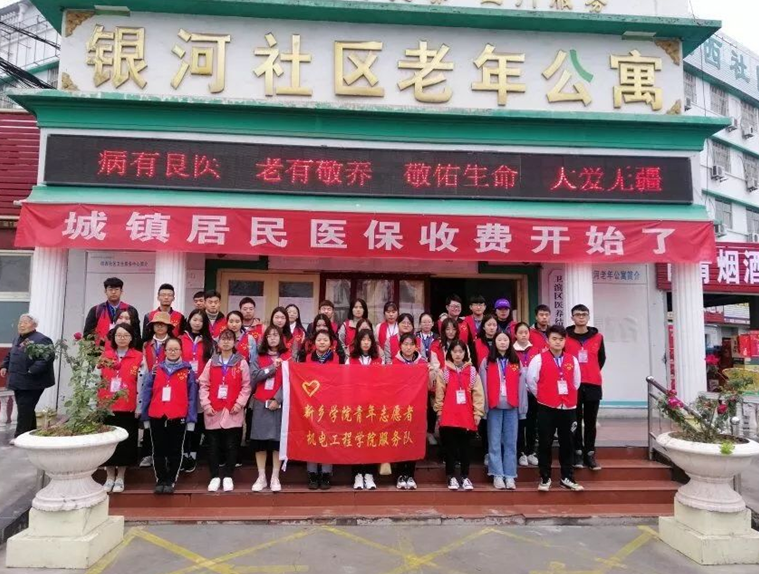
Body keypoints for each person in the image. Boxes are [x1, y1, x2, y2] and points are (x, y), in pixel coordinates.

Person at [526, 325, 583, 492]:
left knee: (568, 443)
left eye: (561, 339)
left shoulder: (572, 360)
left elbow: (576, 382)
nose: (558, 342)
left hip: (568, 407)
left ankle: (567, 477)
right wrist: (544, 396)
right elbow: (531, 381)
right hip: (547, 407)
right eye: (554, 339)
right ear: (548, 340)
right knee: (545, 443)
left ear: (565, 341)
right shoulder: (538, 359)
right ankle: (545, 477)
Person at [140, 337, 198, 494]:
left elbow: (192, 397)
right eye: (169, 349)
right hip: (157, 414)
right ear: (164, 351)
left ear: (181, 351)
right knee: (158, 449)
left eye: (176, 349)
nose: (172, 352)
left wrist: (191, 419)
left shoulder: (188, 371)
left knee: (175, 449)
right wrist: (145, 416)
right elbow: (147, 393)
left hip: (178, 415)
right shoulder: (155, 370)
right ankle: (160, 479)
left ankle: (171, 479)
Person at [199, 329, 251, 492]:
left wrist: (239, 404)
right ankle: (214, 476)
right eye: (223, 339)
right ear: (218, 343)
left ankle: (228, 475)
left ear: (235, 342)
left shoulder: (241, 362)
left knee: (231, 445)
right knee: (213, 445)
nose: (226, 342)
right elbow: (204, 384)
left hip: (233, 409)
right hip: (213, 409)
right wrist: (206, 404)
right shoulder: (211, 362)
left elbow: (246, 386)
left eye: (229, 339)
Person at [434, 339, 484, 491]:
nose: (457, 354)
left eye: (460, 351)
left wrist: (478, 413)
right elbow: (439, 394)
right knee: (450, 448)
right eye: (454, 351)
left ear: (465, 353)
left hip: (466, 416)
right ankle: (451, 476)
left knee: (465, 448)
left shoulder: (472, 372)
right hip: (449, 416)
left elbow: (478, 394)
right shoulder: (444, 372)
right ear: (450, 353)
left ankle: (465, 476)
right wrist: (439, 412)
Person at [99, 324, 142, 492]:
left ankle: (121, 477)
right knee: (108, 442)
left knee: (125, 443)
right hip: (107, 405)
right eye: (119, 335)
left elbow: (142, 382)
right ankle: (109, 476)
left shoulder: (138, 356)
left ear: (131, 338)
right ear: (113, 337)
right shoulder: (106, 356)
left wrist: (139, 406)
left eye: (126, 335)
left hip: (128, 405)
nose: (122, 338)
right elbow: (97, 379)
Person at [480, 332, 525, 490]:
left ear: (510, 342)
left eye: (505, 340)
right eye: (499, 340)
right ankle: (497, 474)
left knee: (511, 442)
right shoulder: (487, 361)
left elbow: (522, 386)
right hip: (494, 406)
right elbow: (483, 385)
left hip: (512, 405)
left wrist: (522, 408)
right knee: (494, 442)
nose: (503, 342)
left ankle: (510, 475)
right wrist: (484, 407)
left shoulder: (516, 361)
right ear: (495, 342)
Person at [1, 314, 55, 443]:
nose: (21, 325)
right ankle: (31, 434)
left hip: (33, 382)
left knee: (24, 408)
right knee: (26, 408)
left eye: (25, 322)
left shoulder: (42, 339)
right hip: (18, 380)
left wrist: (32, 370)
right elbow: (11, 354)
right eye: (20, 322)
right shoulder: (17, 338)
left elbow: (47, 357)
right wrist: (4, 366)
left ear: (34, 325)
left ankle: (19, 437)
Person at [565, 304, 606, 471]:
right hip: (573, 385)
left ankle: (590, 453)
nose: (581, 317)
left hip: (593, 384)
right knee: (575, 421)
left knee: (590, 421)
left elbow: (601, 359)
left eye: (584, 314)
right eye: (577, 314)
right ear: (572, 317)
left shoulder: (598, 337)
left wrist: (591, 371)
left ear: (588, 317)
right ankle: (577, 452)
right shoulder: (565, 337)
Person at [392, 332, 435, 490]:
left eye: (411, 344)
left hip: (417, 408)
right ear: (400, 346)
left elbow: (430, 386)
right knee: (400, 440)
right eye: (405, 344)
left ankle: (410, 474)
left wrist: (430, 372)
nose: (408, 347)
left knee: (413, 439)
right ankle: (400, 474)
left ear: (416, 346)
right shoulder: (394, 363)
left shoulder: (422, 363)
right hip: (400, 408)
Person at [250, 326, 291, 492]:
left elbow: (290, 380)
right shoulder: (258, 357)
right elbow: (254, 376)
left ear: (281, 338)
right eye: (269, 335)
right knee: (260, 442)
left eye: (276, 335)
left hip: (279, 404)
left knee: (276, 442)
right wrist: (272, 368)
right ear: (265, 339)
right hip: (260, 403)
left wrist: (278, 398)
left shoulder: (287, 357)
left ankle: (275, 476)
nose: (272, 338)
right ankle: (261, 477)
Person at [304, 329, 341, 489]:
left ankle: (326, 473)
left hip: (330, 403)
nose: (322, 342)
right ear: (314, 342)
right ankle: (312, 473)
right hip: (311, 402)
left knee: (328, 436)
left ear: (330, 343)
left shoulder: (336, 358)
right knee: (312, 437)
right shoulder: (308, 358)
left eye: (325, 340)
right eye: (319, 340)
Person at [347, 329, 383, 490]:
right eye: (363, 339)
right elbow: (345, 381)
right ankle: (357, 474)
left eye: (369, 339)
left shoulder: (378, 360)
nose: (366, 342)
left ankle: (369, 473)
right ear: (358, 342)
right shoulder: (351, 360)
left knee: (371, 440)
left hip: (373, 407)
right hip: (355, 406)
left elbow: (384, 382)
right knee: (357, 440)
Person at [139, 311, 175, 468]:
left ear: (168, 327)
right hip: (150, 385)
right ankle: (148, 453)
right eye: (157, 324)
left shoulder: (174, 343)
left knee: (167, 419)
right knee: (150, 417)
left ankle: (165, 454)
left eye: (163, 324)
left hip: (169, 384)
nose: (160, 327)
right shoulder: (146, 344)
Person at [181, 309, 214, 472]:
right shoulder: (179, 339)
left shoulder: (209, 343)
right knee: (183, 421)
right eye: (194, 319)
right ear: (189, 320)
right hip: (182, 387)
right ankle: (182, 454)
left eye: (200, 321)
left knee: (197, 422)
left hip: (201, 387)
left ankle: (193, 455)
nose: (197, 323)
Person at [83, 277, 140, 346]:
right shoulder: (96, 310)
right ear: (105, 291)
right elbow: (87, 335)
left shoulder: (130, 309)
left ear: (121, 291)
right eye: (110, 289)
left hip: (124, 349)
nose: (113, 292)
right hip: (101, 351)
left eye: (116, 289)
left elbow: (137, 335)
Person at [513, 322, 539, 467]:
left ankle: (531, 451)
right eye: (520, 332)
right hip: (518, 393)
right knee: (519, 423)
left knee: (532, 423)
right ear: (515, 334)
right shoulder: (511, 350)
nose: (523, 335)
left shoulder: (536, 350)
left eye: (526, 332)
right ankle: (521, 452)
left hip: (533, 392)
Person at [416, 312, 441, 446]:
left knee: (432, 405)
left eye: (429, 322)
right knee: (420, 404)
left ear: (432, 324)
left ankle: (430, 432)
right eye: (424, 322)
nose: (426, 324)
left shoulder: (438, 338)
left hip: (434, 373)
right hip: (418, 375)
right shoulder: (415, 337)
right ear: (420, 324)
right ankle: (419, 433)